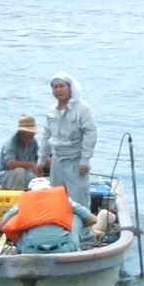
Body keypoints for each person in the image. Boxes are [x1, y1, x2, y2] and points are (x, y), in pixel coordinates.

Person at [44, 72, 98, 213]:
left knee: (78, 199)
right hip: (57, 161)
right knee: (56, 198)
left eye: (61, 86)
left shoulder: (83, 109)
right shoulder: (51, 111)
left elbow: (90, 134)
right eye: (55, 87)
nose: (58, 90)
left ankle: (83, 231)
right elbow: (46, 136)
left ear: (70, 88)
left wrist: (85, 160)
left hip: (75, 161)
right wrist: (42, 159)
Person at [0, 176, 87, 252]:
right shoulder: (65, 199)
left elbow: (3, 223)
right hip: (63, 248)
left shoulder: (22, 202)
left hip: (29, 250)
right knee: (76, 216)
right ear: (50, 188)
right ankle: (82, 242)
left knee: (18, 221)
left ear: (30, 191)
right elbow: (91, 218)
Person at [0, 114, 43, 189]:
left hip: (26, 174)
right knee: (19, 171)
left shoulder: (33, 142)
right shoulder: (11, 143)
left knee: (41, 178)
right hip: (7, 176)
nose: (32, 137)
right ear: (22, 133)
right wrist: (31, 165)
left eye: (33, 135)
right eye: (30, 135)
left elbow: (39, 157)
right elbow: (10, 163)